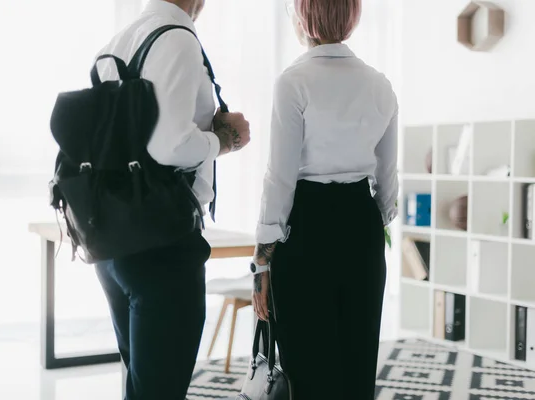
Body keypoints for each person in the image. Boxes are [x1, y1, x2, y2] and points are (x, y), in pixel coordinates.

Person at [92, 1, 250, 399]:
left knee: (142, 384)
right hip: (161, 244)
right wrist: (225, 142)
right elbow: (169, 144)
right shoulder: (177, 39)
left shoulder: (120, 41)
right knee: (160, 388)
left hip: (114, 240)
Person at [250, 0, 399, 398]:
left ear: (303, 16)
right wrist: (373, 221)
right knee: (358, 360)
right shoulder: (380, 85)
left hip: (307, 227)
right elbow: (387, 181)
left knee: (309, 365)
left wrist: (261, 261)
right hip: (361, 223)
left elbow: (279, 179)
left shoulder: (294, 82)